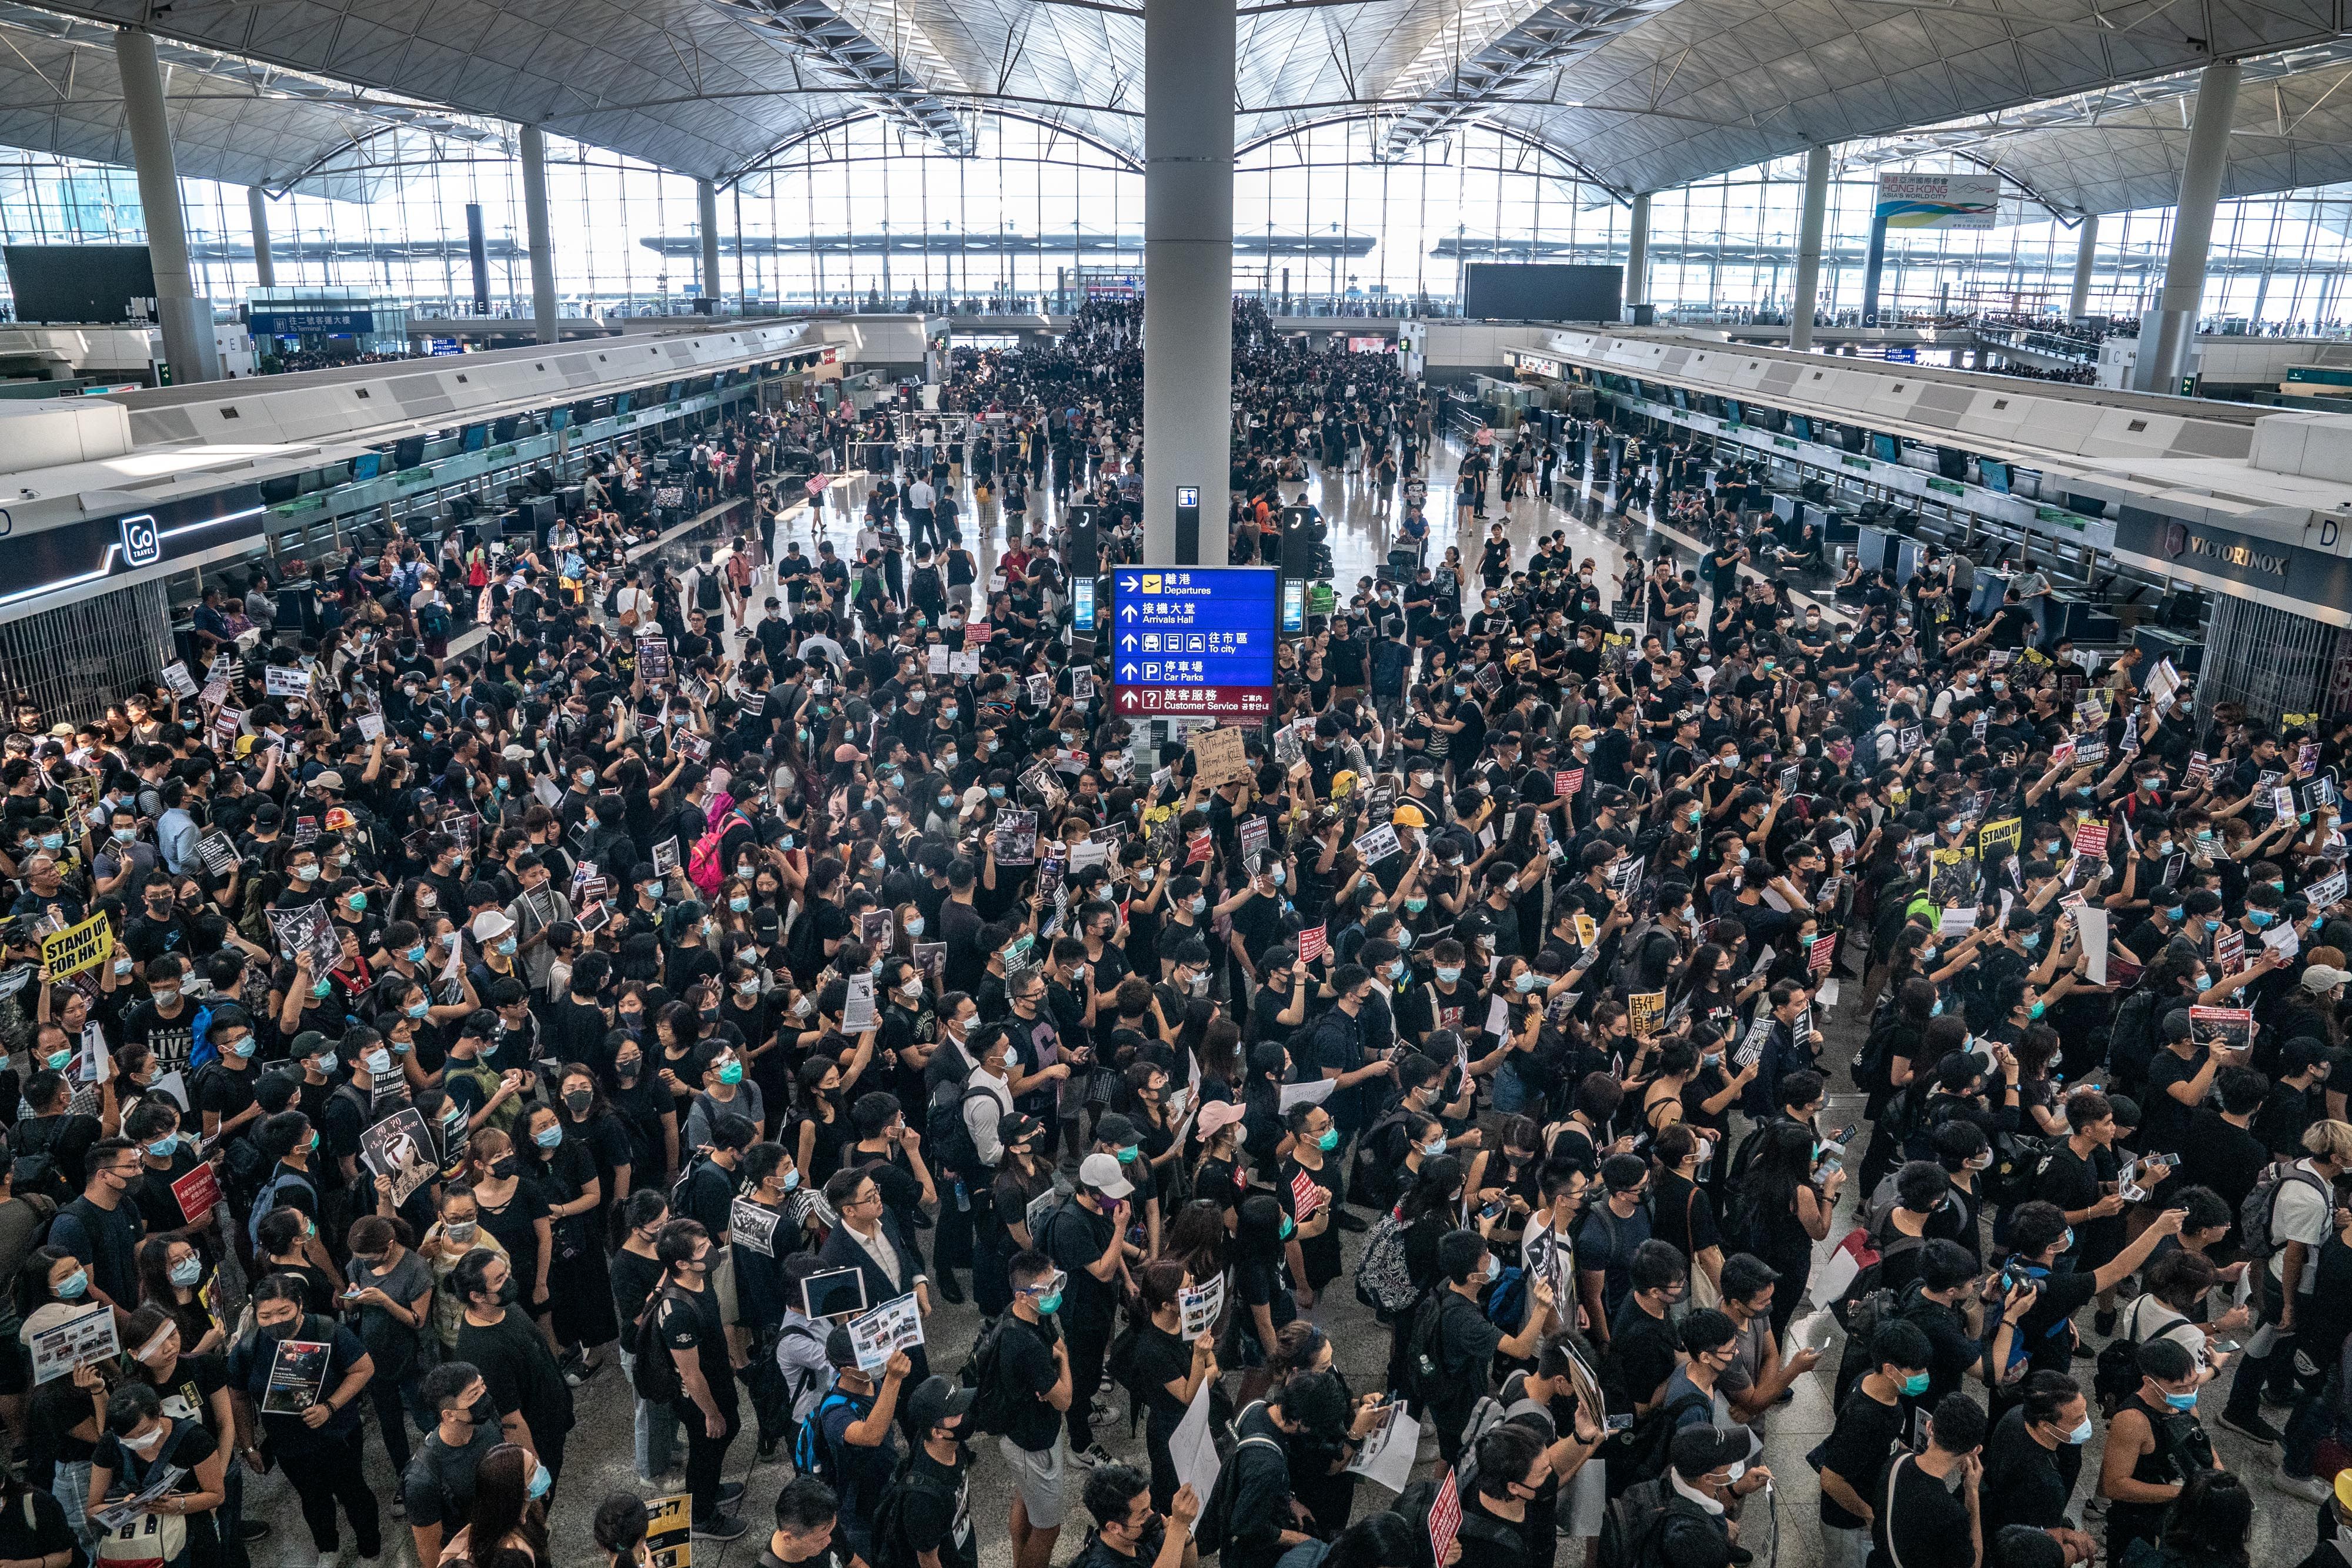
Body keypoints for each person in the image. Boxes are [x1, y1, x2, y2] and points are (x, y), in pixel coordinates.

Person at [225, 1272, 380, 1566]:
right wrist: (248, 1445)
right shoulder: (249, 1347)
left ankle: (370, 1549)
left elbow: (363, 1369)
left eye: (283, 1312)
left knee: (353, 1493)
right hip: (288, 1443)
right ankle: (327, 1548)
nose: (275, 1321)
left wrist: (330, 1407)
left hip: (338, 1434)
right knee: (312, 1497)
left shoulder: (328, 1331)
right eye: (265, 1315)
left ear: (299, 1305)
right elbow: (239, 1395)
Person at [650, 1219, 750, 1542]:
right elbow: (690, 1374)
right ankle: (702, 1517)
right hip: (698, 1396)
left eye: (707, 1241)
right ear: (681, 1264)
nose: (710, 1251)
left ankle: (708, 1488)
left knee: (719, 1438)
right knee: (711, 1442)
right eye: (702, 1249)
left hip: (716, 1379)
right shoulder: (678, 1311)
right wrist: (711, 1413)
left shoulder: (699, 1280)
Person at [989, 1250, 1074, 1568]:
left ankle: (1018, 1559)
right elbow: (1065, 1399)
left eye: (1056, 1283)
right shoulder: (1024, 1346)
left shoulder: (1026, 1315)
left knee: (1025, 1497)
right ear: (1022, 1296)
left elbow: (1057, 1344)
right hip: (1032, 1445)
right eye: (1047, 1289)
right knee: (1049, 1528)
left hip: (1024, 1433)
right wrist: (1063, 1362)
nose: (1054, 1294)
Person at [405, 1361, 517, 1568]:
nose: (484, 1396)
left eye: (483, 1386)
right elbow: (430, 1553)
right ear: (449, 1415)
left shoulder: (484, 1424)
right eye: (474, 1395)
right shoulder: (423, 1479)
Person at [1869, 1392, 1985, 1568]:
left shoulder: (1897, 1461)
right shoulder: (1952, 1514)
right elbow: (1974, 1564)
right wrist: (1972, 1493)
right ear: (1974, 1450)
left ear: (1929, 1426)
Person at [1071, 1460, 1199, 1568]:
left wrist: (1184, 1539)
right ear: (1114, 1527)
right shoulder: (1102, 1564)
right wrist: (1179, 1526)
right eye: (1143, 1513)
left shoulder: (1139, 1535)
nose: (1153, 1515)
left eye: (1149, 1507)